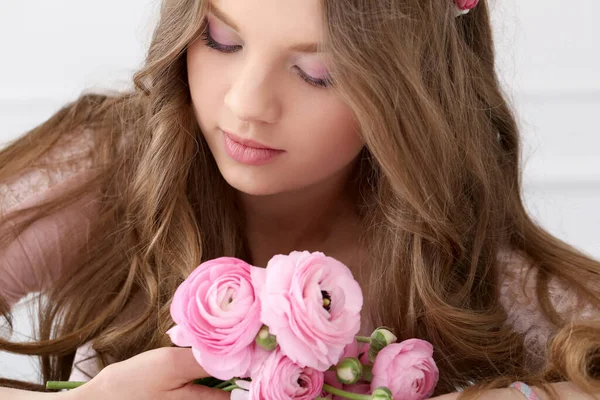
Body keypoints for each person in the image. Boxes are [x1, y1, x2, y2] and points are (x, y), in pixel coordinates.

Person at [1, 0, 599, 399]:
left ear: (416, 94)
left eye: (317, 72)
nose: (246, 104)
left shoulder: (453, 260)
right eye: (221, 39)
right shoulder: (112, 163)